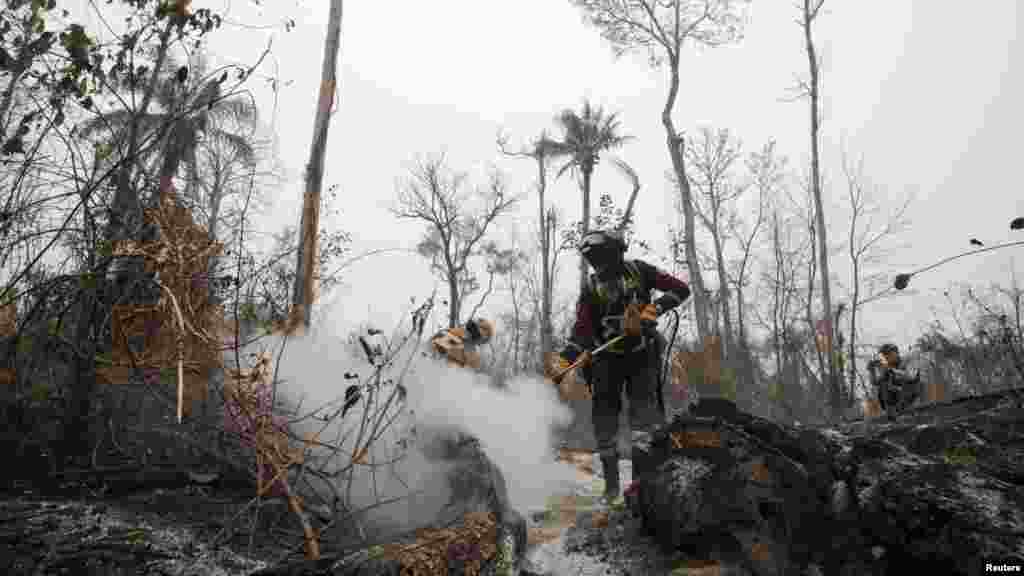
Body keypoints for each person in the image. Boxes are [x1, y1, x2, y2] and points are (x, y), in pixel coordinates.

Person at [545, 229, 691, 504]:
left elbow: (681, 289)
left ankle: (640, 486)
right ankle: (611, 489)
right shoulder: (590, 288)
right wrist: (565, 358)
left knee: (644, 421)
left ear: (616, 253)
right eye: (593, 261)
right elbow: (582, 329)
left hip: (642, 356)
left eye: (602, 259)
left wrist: (655, 308)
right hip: (605, 360)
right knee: (604, 421)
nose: (599, 267)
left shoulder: (641, 271)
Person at [868, 343, 921, 418]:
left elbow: (911, 376)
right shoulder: (888, 366)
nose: (886, 356)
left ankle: (901, 411)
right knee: (884, 384)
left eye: (888, 353)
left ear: (896, 352)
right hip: (896, 397)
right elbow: (876, 382)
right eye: (884, 354)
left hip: (911, 393)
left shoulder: (907, 360)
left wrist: (891, 370)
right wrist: (871, 371)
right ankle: (891, 414)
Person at [430, 318, 494, 371]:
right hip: (436, 370)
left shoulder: (474, 356)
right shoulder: (452, 333)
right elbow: (431, 348)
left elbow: (469, 378)